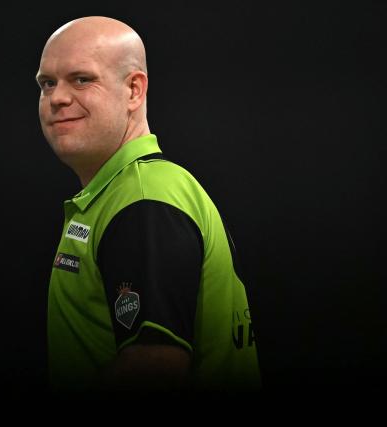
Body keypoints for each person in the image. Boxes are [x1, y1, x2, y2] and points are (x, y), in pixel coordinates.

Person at [36, 16, 261, 392]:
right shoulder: (124, 193)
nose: (57, 97)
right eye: (47, 83)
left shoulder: (143, 202)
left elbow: (155, 369)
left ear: (134, 91)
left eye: (81, 79)